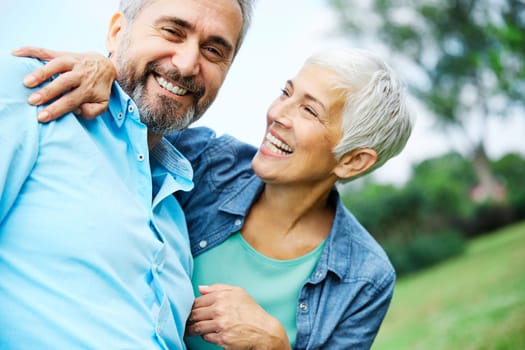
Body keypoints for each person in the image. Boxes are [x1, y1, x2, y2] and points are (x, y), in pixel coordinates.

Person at [18, 46, 413, 349]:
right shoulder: (207, 160)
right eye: (286, 93)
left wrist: (273, 345)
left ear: (354, 160)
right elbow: (135, 118)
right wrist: (107, 67)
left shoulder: (366, 277)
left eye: (309, 111)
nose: (278, 114)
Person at [1, 0, 254, 348]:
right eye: (172, 31)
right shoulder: (33, 95)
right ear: (117, 33)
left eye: (212, 51)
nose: (187, 64)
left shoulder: (174, 218)